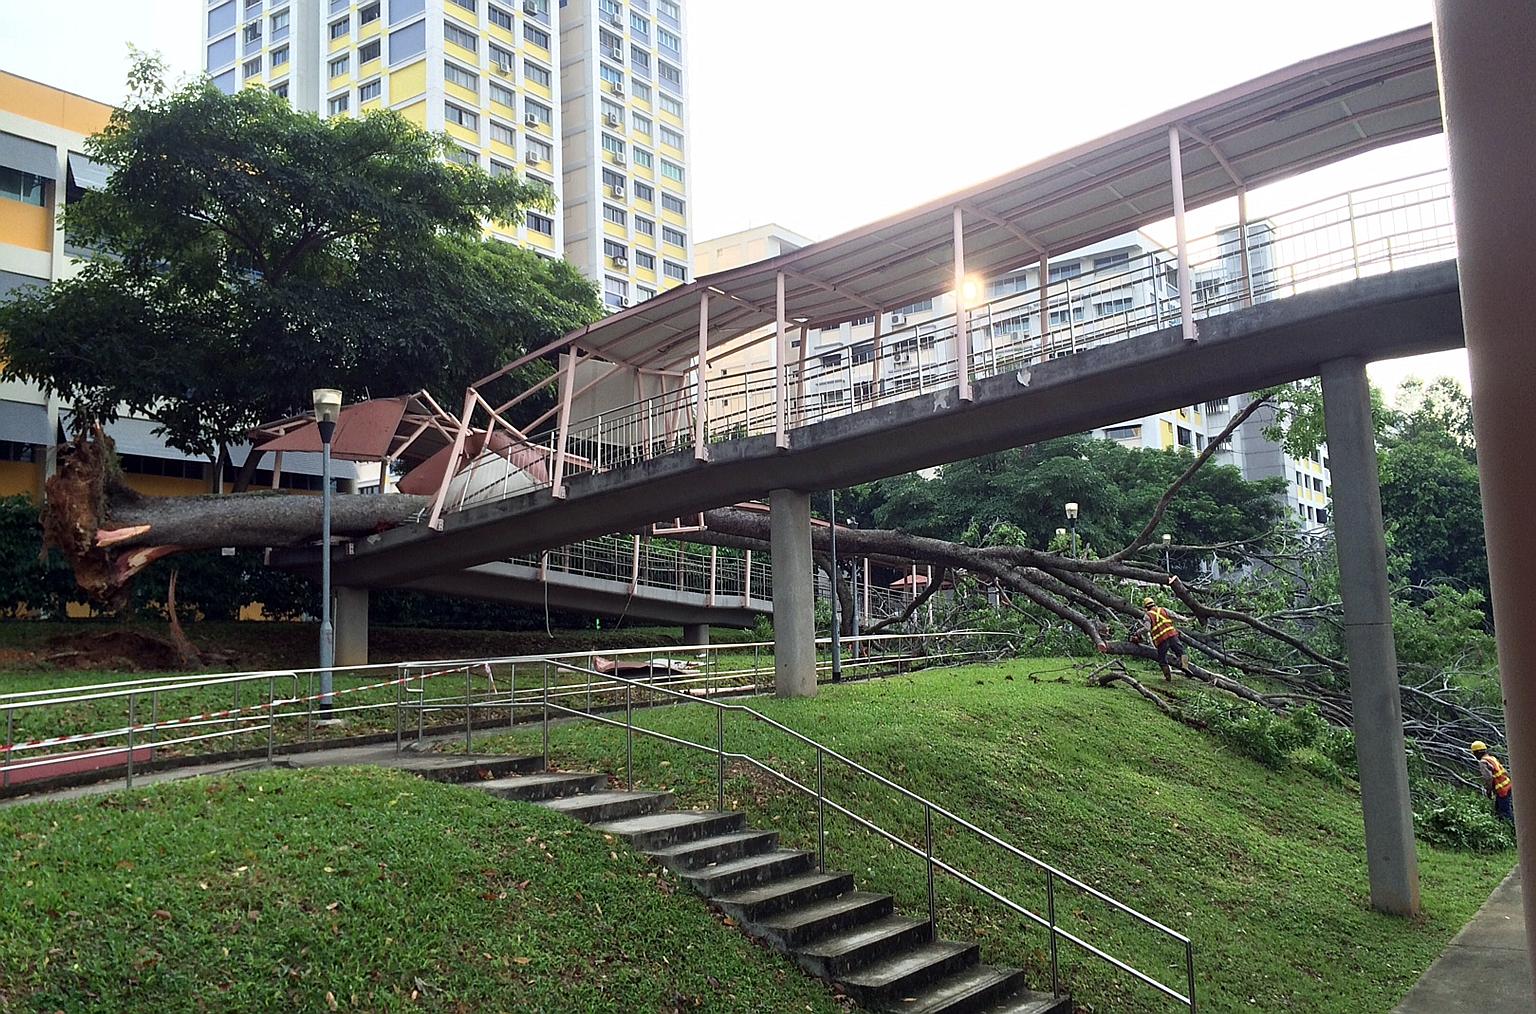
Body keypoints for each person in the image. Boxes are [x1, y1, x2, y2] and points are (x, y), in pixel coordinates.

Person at [1141, 596, 1191, 680]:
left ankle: (1168, 677)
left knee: (1162, 659)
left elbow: (1147, 628)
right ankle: (1185, 667)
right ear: (1154, 604)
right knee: (1182, 652)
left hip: (1161, 640)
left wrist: (1138, 632)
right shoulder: (1163, 610)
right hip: (1172, 636)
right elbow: (1176, 616)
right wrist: (1186, 619)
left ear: (1146, 607)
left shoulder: (1148, 616)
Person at [1471, 741, 1514, 824]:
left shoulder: (1483, 762)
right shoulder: (1491, 758)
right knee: (1498, 809)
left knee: (1505, 812)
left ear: (1477, 753)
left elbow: (1489, 778)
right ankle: (1502, 824)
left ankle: (1512, 827)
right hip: (1507, 785)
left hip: (1502, 789)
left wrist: (1489, 791)